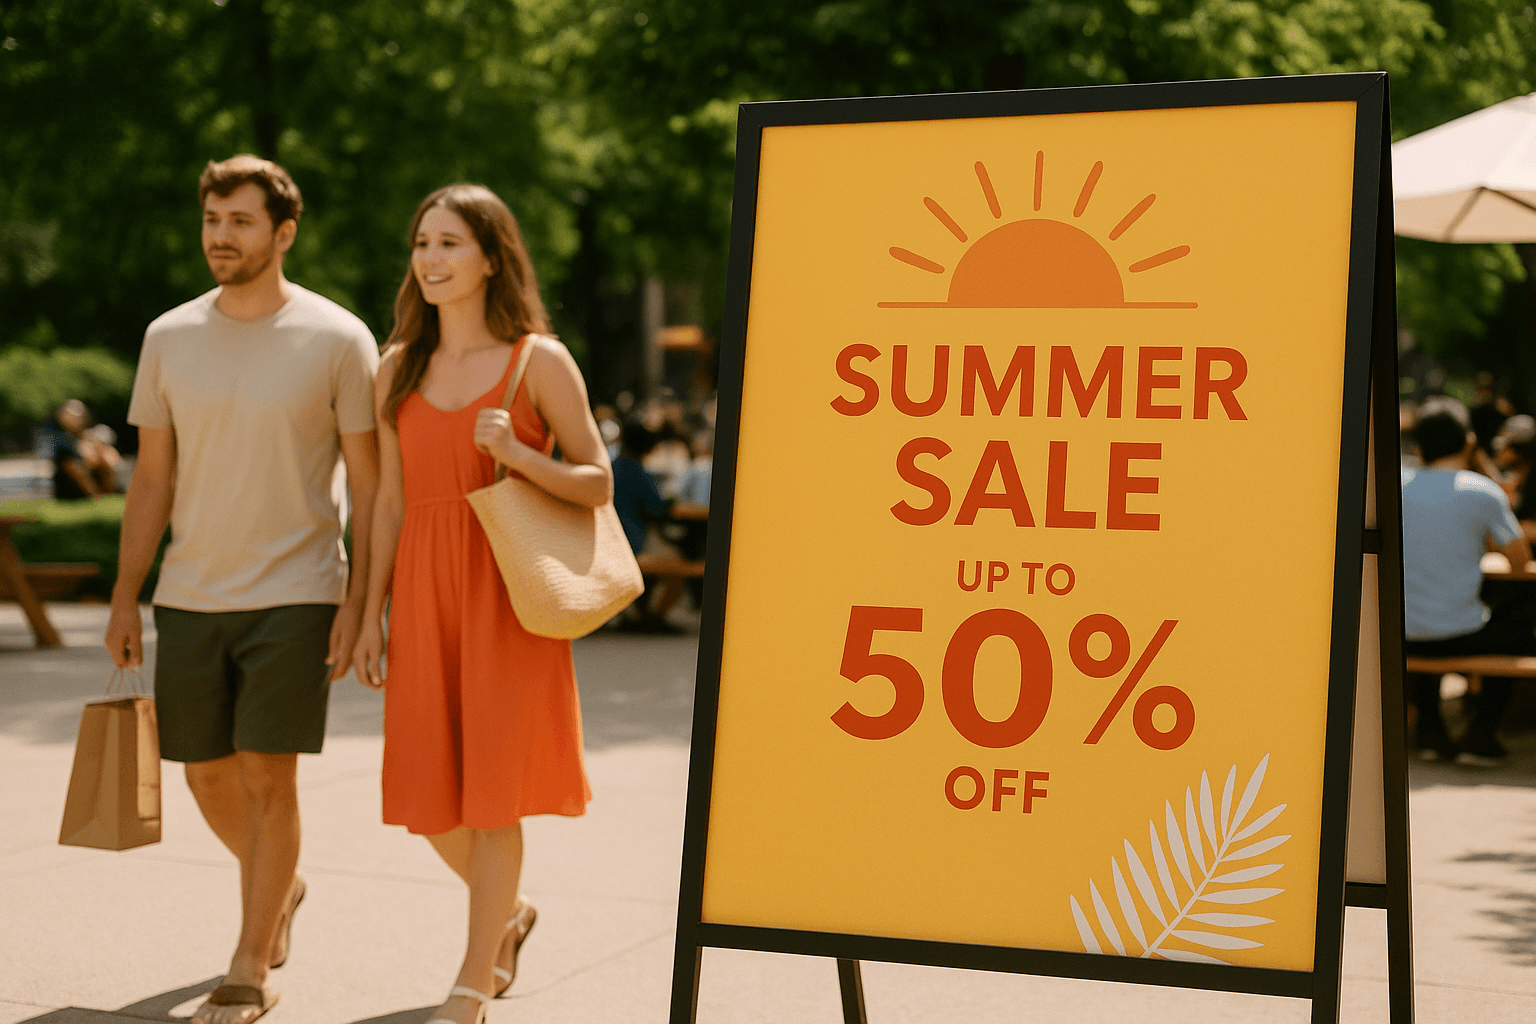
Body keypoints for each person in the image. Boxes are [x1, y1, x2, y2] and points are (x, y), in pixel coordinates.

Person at [103, 155, 380, 1024]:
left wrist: (362, 602)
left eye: (240, 222)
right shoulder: (168, 337)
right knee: (204, 778)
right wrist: (124, 595)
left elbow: (369, 486)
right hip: (189, 595)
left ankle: (248, 961)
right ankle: (282, 886)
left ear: (283, 233)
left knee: (270, 778)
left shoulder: (339, 338)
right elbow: (152, 476)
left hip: (297, 594)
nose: (221, 236)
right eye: (213, 220)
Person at [351, 184, 603, 1024]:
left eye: (450, 243)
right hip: (423, 590)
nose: (430, 259)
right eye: (422, 242)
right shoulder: (398, 367)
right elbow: (386, 504)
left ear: (491, 257)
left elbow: (596, 479)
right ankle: (511, 914)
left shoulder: (541, 361)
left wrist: (518, 456)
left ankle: (468, 984)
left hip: (505, 593)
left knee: (493, 794)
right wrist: (367, 615)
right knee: (429, 798)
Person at [1402, 397, 1536, 764]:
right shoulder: (1481, 492)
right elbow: (1521, 562)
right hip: (1460, 635)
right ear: (1469, 441)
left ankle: (1431, 730)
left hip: (1397, 634)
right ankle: (1480, 734)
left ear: (1418, 445)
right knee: (1521, 633)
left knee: (1417, 608)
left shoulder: (1394, 485)